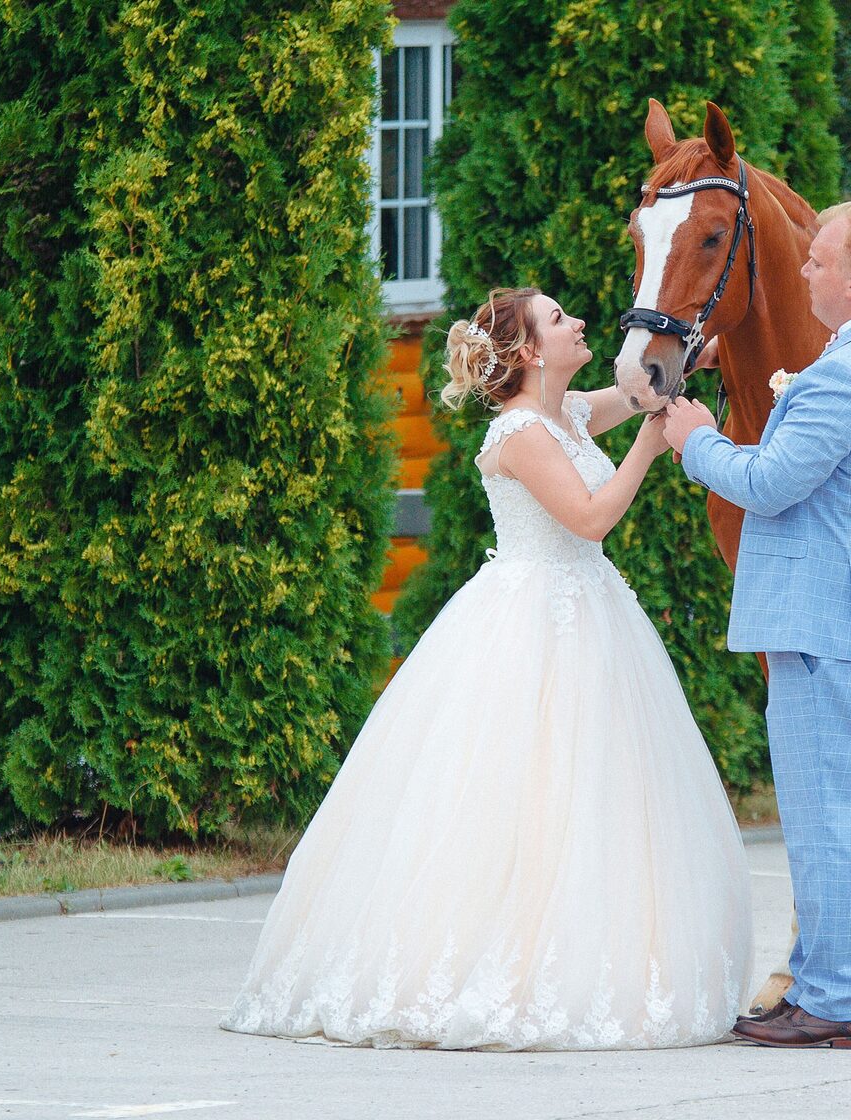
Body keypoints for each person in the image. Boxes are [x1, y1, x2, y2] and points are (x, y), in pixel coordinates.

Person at [221, 287, 753, 1051]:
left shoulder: (567, 413)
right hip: (531, 621)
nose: (577, 324)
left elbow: (637, 394)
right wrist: (650, 447)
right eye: (559, 319)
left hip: (592, 616)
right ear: (532, 351)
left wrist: (688, 349)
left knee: (593, 793)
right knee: (519, 795)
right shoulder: (521, 432)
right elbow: (591, 517)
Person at [662, 201, 851, 1049]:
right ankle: (821, 981)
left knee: (826, 821)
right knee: (840, 817)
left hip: (832, 624)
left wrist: (696, 438)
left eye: (817, 262)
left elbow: (771, 483)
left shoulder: (844, 376)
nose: (803, 271)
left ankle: (833, 1004)